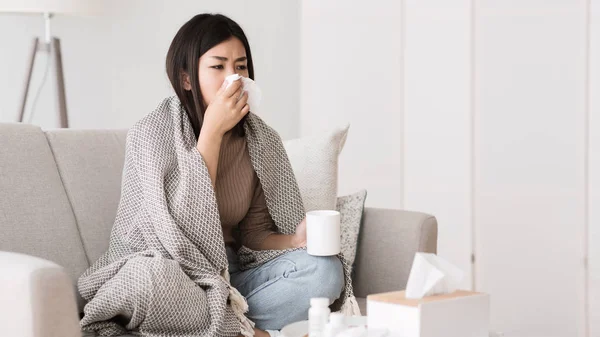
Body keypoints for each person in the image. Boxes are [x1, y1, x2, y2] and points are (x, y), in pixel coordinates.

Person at [164, 13, 344, 336]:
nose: (234, 79)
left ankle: (226, 325)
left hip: (236, 281)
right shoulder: (155, 134)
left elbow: (254, 236)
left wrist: (295, 240)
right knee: (155, 289)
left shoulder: (261, 141)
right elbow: (179, 229)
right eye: (218, 67)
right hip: (180, 277)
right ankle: (234, 327)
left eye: (241, 67)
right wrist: (212, 132)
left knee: (325, 271)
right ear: (187, 79)